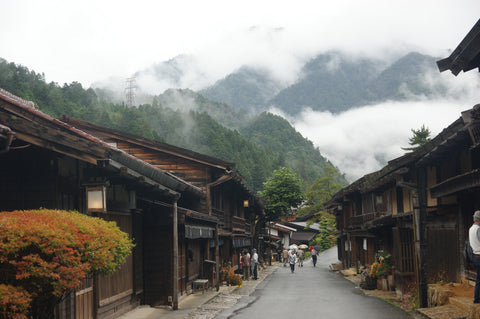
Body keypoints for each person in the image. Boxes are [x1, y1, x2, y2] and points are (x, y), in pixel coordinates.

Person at [470, 210, 480, 303]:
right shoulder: (478, 229)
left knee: (478, 280)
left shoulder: (471, 228)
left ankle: (477, 300)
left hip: (475, 255)